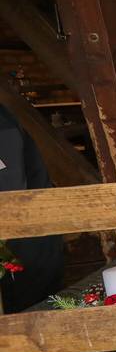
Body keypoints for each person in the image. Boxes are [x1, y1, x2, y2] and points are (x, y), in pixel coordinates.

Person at [0, 105, 64, 313]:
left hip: (26, 247)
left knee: (30, 323)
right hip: (14, 245)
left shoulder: (3, 128)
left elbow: (11, 196)